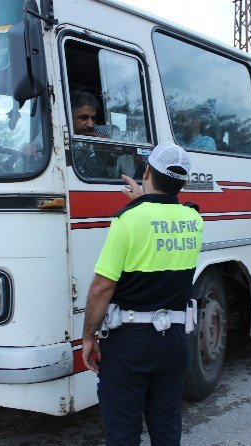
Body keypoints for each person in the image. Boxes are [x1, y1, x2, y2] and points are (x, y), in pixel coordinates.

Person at [81, 141, 204, 445]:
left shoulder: (128, 220)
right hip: (174, 341)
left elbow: (102, 287)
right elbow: (162, 224)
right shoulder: (194, 220)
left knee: (123, 429)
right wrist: (145, 198)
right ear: (184, 182)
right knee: (166, 422)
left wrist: (88, 337)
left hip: (129, 345)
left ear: (147, 171)